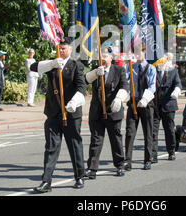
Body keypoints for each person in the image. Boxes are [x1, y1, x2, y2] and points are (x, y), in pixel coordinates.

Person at [31, 37, 87, 193]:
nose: (61, 51)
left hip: (71, 113)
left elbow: (81, 87)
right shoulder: (53, 64)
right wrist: (52, 64)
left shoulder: (76, 66)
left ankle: (79, 176)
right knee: (51, 148)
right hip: (54, 113)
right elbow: (34, 67)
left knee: (74, 146)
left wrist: (74, 102)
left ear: (70, 49)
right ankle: (46, 181)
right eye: (60, 48)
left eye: (64, 48)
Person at [83, 47, 129, 179]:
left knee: (115, 139)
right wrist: (95, 74)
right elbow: (85, 80)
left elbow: (124, 86)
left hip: (113, 110)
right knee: (96, 140)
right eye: (100, 56)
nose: (102, 58)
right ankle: (92, 169)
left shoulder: (119, 70)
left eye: (105, 56)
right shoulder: (96, 70)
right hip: (97, 111)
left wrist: (119, 98)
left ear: (111, 58)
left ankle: (120, 165)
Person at [124, 42, 156, 171]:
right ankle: (127, 161)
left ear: (144, 52)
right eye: (135, 52)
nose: (137, 55)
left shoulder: (151, 68)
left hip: (146, 102)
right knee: (130, 132)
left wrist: (145, 98)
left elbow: (152, 86)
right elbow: (125, 81)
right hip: (133, 102)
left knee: (148, 132)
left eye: (139, 52)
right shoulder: (131, 67)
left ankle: (147, 159)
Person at [152, 52, 182, 162]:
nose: (160, 62)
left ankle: (171, 151)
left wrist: (177, 91)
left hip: (169, 104)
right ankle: (153, 154)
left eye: (162, 59)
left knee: (169, 129)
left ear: (167, 59)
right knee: (153, 131)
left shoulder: (173, 71)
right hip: (155, 105)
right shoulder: (153, 70)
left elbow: (178, 84)